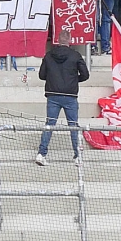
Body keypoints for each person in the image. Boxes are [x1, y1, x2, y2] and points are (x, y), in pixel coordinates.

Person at [35, 28, 90, 166]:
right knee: (73, 126)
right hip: (70, 95)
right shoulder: (75, 55)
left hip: (53, 95)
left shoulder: (48, 55)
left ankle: (41, 154)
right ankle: (77, 156)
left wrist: (53, 79)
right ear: (70, 40)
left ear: (57, 40)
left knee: (49, 125)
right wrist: (73, 80)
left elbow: (41, 75)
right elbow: (85, 75)